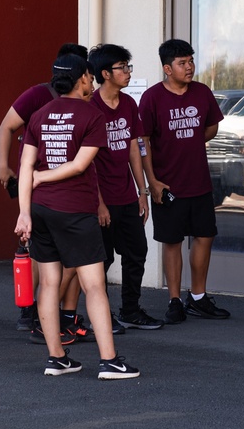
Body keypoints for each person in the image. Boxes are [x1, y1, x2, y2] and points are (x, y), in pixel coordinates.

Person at [14, 53, 140, 380]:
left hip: (41, 210)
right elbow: (80, 165)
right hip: (74, 211)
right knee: (94, 285)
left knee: (50, 283)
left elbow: (26, 166)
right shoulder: (91, 114)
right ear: (83, 78)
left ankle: (57, 358)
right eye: (88, 76)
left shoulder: (39, 115)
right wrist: (44, 177)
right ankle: (110, 361)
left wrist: (24, 213)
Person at [0, 43, 98, 338]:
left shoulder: (88, 104)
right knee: (43, 257)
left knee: (69, 263)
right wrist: (4, 165)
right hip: (40, 186)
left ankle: (64, 317)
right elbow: (6, 126)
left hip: (75, 192)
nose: (88, 80)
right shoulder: (39, 95)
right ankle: (32, 312)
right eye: (85, 73)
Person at [139, 39, 229, 323]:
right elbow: (144, 142)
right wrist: (151, 181)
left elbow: (212, 124)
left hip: (199, 181)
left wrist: (192, 139)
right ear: (167, 68)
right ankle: (175, 300)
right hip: (167, 185)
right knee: (172, 241)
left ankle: (198, 298)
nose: (189, 67)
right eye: (182, 63)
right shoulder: (152, 98)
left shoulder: (202, 92)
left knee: (204, 236)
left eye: (191, 61)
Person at [87, 44, 164, 330]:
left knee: (137, 253)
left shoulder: (129, 104)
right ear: (105, 74)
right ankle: (101, 316)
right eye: (123, 68)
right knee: (102, 260)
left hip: (127, 197)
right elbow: (88, 162)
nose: (128, 72)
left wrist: (142, 192)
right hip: (101, 200)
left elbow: (134, 148)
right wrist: (99, 203)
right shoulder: (91, 108)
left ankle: (130, 311)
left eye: (128, 67)